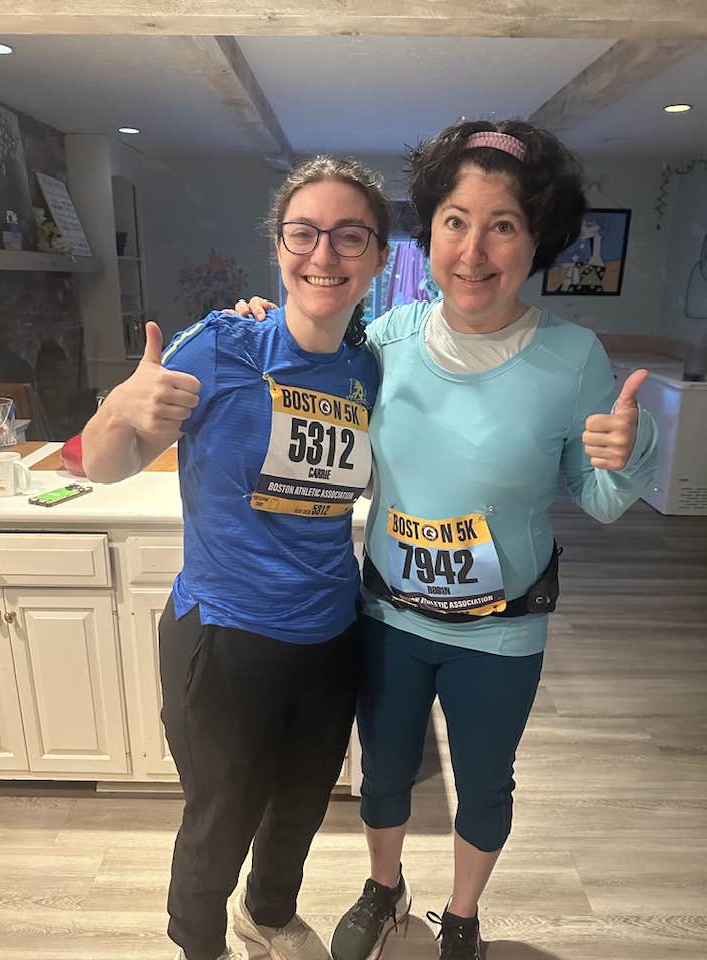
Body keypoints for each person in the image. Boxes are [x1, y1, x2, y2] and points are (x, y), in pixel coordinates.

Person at [231, 119, 658, 960]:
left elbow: (603, 501)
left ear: (537, 240)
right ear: (428, 232)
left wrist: (631, 450)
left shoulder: (572, 357)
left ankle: (461, 917)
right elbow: (310, 363)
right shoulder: (385, 341)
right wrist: (263, 323)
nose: (472, 250)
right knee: (384, 774)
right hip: (390, 618)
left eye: (503, 225)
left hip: (501, 631)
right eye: (455, 221)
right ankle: (384, 889)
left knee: (485, 786)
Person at [80, 156, 390, 960]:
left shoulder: (366, 367)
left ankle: (269, 914)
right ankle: (201, 947)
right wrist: (121, 404)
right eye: (304, 233)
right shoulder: (221, 346)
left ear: (378, 257)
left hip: (330, 633)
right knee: (222, 817)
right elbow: (106, 463)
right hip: (226, 635)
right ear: (279, 246)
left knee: (301, 806)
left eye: (349, 236)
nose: (324, 254)